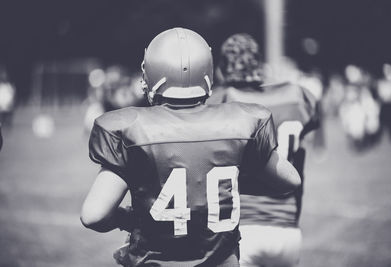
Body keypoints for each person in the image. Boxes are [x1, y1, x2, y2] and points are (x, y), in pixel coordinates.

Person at [80, 28, 301, 267]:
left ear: (151, 73)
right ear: (207, 72)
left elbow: (94, 215)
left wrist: (128, 218)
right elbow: (290, 181)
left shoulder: (134, 128)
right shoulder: (238, 122)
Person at [208, 33, 318, 267]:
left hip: (244, 227)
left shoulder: (223, 101)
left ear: (224, 66)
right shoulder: (297, 96)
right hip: (287, 228)